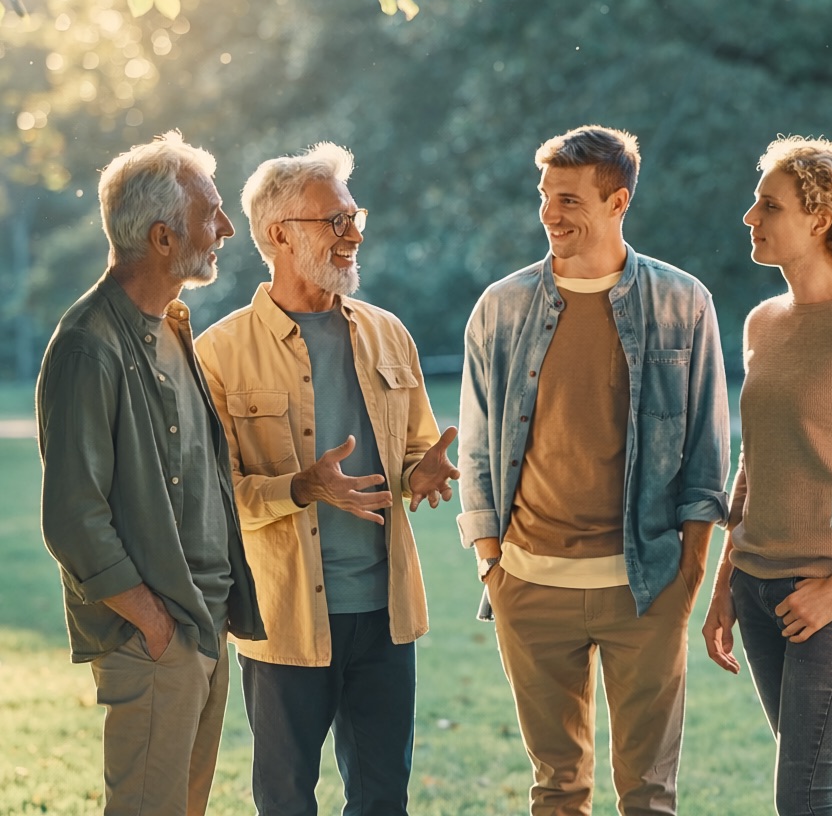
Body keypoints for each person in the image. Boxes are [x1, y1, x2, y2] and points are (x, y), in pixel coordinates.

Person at [457, 124, 730, 815]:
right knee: (556, 790)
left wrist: (688, 578)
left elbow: (706, 456)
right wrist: (493, 562)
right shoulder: (501, 308)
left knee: (649, 795)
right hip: (530, 585)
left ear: (618, 203)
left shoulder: (683, 303)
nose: (550, 213)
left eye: (570, 200)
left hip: (645, 590)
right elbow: (480, 448)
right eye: (546, 196)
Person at [195, 142, 459, 816]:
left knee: (383, 800)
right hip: (285, 619)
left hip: (384, 615)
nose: (354, 233)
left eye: (353, 216)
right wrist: (301, 487)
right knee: (285, 800)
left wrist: (421, 471)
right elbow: (214, 499)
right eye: (334, 220)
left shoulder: (388, 333)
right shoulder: (218, 353)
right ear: (279, 234)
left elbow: (413, 451)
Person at [36, 131, 264, 816]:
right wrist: (152, 624)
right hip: (156, 637)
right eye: (211, 213)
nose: (226, 228)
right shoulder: (88, 346)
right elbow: (73, 516)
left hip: (203, 623)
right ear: (163, 238)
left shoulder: (172, 325)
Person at [701, 136, 832, 815]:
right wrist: (725, 583)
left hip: (828, 598)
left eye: (768, 205)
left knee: (806, 795)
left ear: (819, 219)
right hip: (760, 591)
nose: (749, 218)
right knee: (820, 788)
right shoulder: (763, 322)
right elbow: (753, 464)